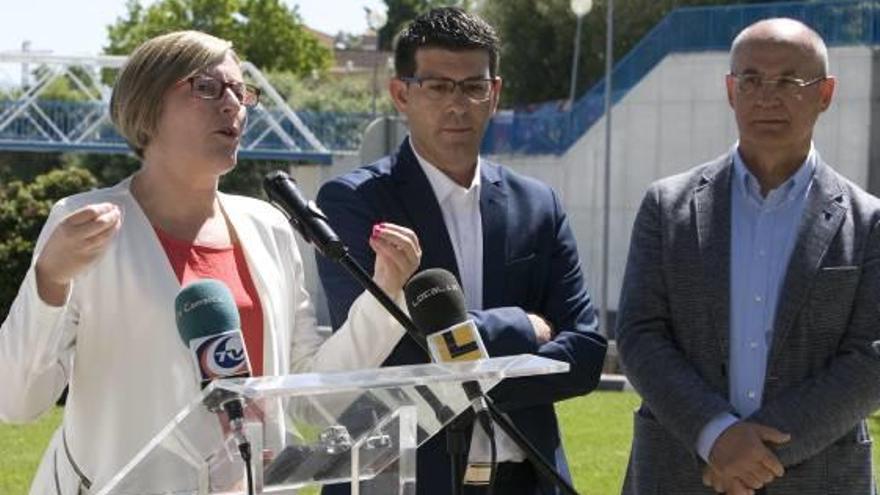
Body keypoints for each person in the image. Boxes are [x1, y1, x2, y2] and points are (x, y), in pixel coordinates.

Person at [0, 30, 422, 494]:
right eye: (208, 87)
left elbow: (307, 396)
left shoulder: (269, 228)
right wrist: (49, 279)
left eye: (241, 92)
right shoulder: (84, 226)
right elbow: (17, 401)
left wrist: (384, 296)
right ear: (146, 106)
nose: (232, 105)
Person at [315, 7, 607, 495]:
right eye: (438, 87)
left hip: (525, 479)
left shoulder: (538, 204)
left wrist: (459, 373)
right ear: (401, 94)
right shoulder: (354, 203)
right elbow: (388, 359)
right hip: (403, 480)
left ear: (495, 94)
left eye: (473, 87)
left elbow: (584, 354)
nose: (458, 104)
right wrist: (522, 328)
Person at [616, 17, 880, 495]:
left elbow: (870, 358)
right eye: (751, 80)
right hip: (680, 473)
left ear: (825, 93)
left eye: (788, 81)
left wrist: (749, 455)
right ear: (730, 90)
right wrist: (715, 436)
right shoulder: (666, 206)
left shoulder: (869, 222)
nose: (767, 96)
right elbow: (639, 335)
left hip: (818, 477)